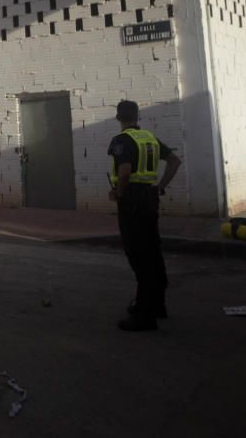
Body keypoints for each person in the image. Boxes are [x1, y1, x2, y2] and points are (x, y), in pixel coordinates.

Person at [108, 100, 181, 332]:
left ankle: (144, 313)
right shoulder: (149, 138)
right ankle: (157, 304)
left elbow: (125, 170)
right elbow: (174, 160)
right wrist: (160, 186)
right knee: (152, 252)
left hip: (132, 201)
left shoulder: (122, 140)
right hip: (150, 198)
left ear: (119, 117)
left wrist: (119, 194)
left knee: (138, 255)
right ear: (137, 116)